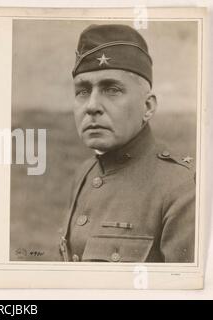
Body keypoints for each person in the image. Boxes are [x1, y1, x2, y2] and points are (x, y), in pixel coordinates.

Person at [59, 24, 196, 263]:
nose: (91, 106)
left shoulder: (182, 189)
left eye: (111, 89)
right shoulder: (85, 173)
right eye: (82, 91)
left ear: (148, 107)